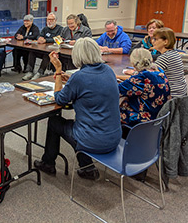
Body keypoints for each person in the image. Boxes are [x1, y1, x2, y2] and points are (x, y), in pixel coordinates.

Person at [34, 37, 122, 180]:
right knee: (83, 126)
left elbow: (60, 98)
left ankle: (48, 163)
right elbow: (92, 88)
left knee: (54, 122)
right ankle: (87, 168)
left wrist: (58, 71)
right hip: (113, 137)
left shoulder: (80, 77)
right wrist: (70, 82)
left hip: (93, 140)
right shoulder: (108, 70)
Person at [118, 48, 171, 127]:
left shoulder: (141, 78)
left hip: (141, 121)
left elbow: (116, 90)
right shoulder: (160, 73)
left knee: (107, 109)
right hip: (158, 119)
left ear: (133, 63)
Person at [22, 12, 63, 80]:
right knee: (32, 52)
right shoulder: (45, 29)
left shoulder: (60, 29)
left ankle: (40, 72)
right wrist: (40, 38)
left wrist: (46, 40)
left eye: (51, 19)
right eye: (48, 20)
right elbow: (39, 36)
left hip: (53, 51)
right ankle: (29, 71)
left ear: (55, 20)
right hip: (42, 49)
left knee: (47, 55)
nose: (49, 21)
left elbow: (59, 40)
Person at [153, 27, 187, 97]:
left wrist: (133, 73)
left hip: (172, 97)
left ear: (165, 42)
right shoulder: (175, 53)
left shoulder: (165, 57)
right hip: (181, 95)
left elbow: (149, 76)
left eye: (156, 39)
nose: (153, 42)